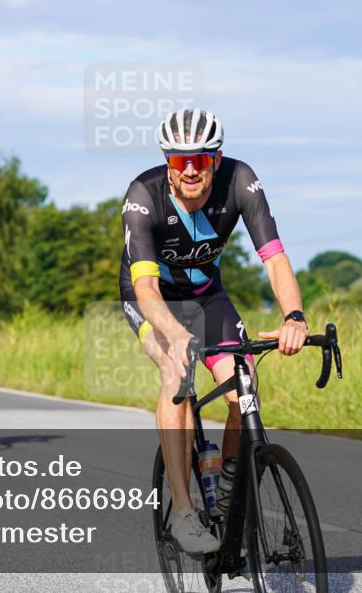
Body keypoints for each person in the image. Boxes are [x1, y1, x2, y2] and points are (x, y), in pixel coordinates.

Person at [120, 108, 308, 553]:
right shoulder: (143, 195)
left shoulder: (241, 181)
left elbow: (275, 258)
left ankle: (228, 480)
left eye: (199, 160)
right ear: (167, 161)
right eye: (178, 160)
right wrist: (173, 332)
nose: (188, 170)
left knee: (244, 385)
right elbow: (145, 288)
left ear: (216, 160)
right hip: (153, 298)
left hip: (207, 295)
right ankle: (184, 511)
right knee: (175, 374)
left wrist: (294, 317)